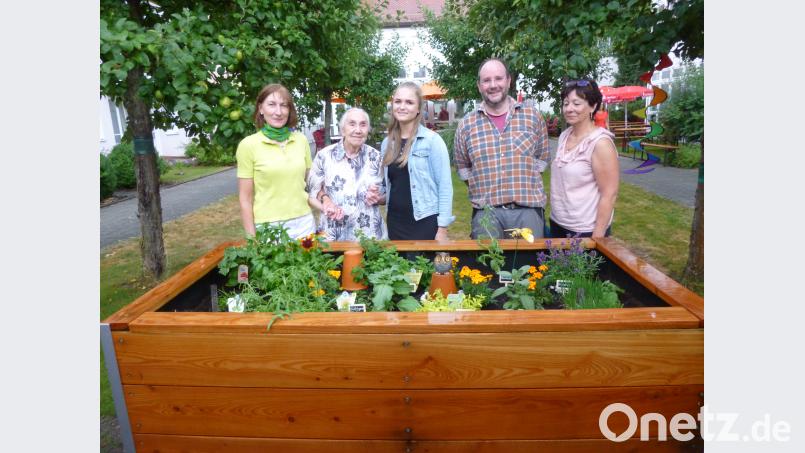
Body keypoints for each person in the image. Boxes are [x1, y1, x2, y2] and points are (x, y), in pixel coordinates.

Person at [454, 58, 550, 239]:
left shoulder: (532, 117)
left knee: (530, 267)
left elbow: (541, 161)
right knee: (487, 267)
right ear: (479, 85)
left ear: (508, 80)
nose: (493, 85)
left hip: (527, 212)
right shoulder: (467, 124)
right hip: (486, 214)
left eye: (498, 78)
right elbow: (464, 169)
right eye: (486, 80)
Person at [236, 83, 315, 239]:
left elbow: (312, 184)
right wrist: (252, 241)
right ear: (261, 109)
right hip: (269, 228)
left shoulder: (301, 140)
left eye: (284, 105)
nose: (278, 112)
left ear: (289, 110)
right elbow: (245, 199)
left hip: (304, 223)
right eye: (271, 105)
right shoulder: (248, 145)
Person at [381, 81, 454, 240]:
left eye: (409, 102)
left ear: (418, 109)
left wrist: (442, 228)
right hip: (395, 223)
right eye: (398, 101)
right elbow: (388, 187)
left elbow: (445, 186)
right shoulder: (387, 144)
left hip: (424, 222)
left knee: (423, 265)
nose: (402, 106)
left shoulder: (432, 141)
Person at [549, 78, 619, 238]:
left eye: (576, 103)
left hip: (585, 231)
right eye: (566, 103)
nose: (569, 108)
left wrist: (597, 239)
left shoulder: (600, 143)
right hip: (557, 224)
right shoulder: (564, 136)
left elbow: (609, 194)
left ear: (593, 106)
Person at [307, 108, 387, 241]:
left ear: (368, 130)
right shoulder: (324, 156)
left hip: (370, 239)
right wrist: (326, 203)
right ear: (342, 129)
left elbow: (386, 196)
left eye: (363, 124)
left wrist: (378, 197)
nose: (358, 130)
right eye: (352, 124)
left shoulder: (376, 158)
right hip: (334, 237)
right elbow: (312, 194)